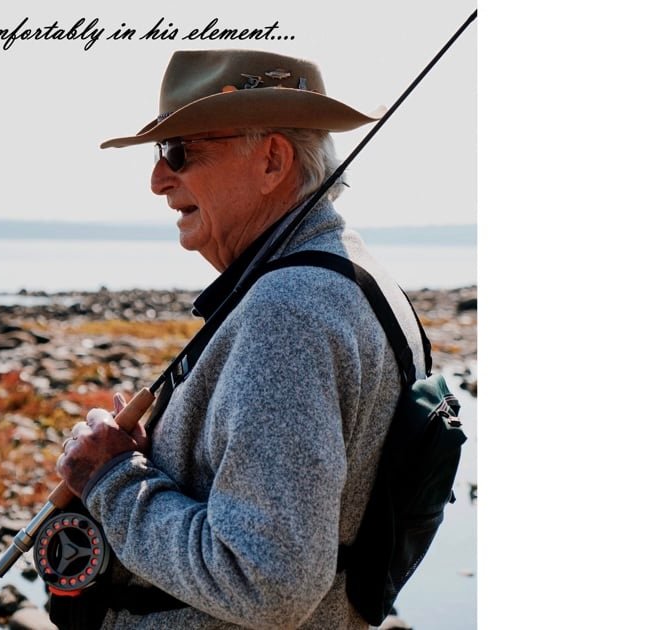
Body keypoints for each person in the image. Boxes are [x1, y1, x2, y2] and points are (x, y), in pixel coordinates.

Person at [55, 49, 429, 629]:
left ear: (272, 160)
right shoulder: (348, 276)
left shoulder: (290, 311)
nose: (158, 180)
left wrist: (113, 481)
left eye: (179, 151)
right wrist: (172, 455)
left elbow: (267, 581)